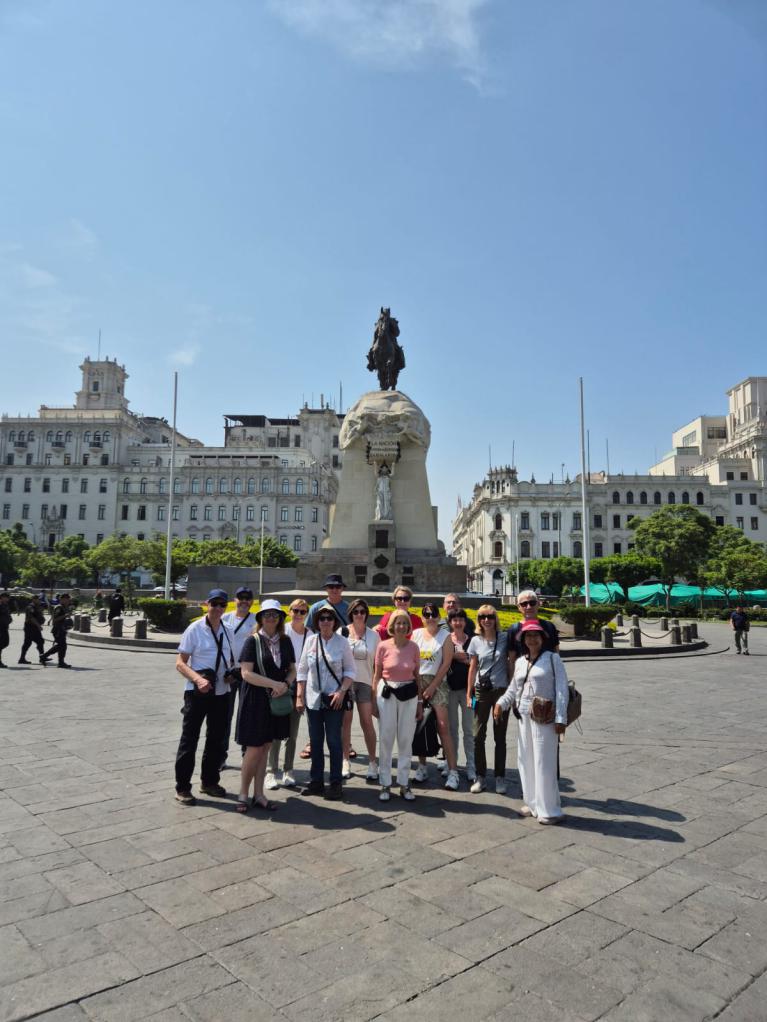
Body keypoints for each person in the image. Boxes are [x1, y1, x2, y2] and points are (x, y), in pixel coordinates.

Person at [494, 620, 569, 824]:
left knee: (544, 762)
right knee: (525, 760)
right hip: (524, 716)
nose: (532, 639)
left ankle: (549, 809)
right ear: (523, 640)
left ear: (543, 638)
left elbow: (562, 690)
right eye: (528, 636)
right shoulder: (519, 662)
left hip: (545, 717)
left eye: (536, 635)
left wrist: (561, 718)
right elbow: (513, 689)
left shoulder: (552, 659)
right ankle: (532, 802)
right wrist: (501, 703)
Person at [173, 588, 235, 805]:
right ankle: (182, 787)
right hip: (197, 693)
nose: (218, 608)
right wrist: (198, 679)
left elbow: (230, 660)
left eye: (222, 605)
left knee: (216, 740)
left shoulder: (227, 630)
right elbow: (180, 663)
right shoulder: (195, 629)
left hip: (220, 693)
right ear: (207, 603)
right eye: (215, 603)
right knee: (189, 740)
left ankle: (209, 781)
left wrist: (231, 675)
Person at [237, 599, 295, 812]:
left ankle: (259, 794)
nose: (271, 618)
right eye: (267, 614)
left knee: (266, 747)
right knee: (253, 748)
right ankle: (243, 793)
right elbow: (246, 673)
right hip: (256, 699)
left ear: (280, 618)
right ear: (260, 618)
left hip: (276, 700)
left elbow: (292, 669)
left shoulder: (285, 641)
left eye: (275, 614)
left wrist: (286, 684)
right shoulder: (252, 641)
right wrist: (274, 684)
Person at [296, 606, 356, 801]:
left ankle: (336, 783)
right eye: (321, 618)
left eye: (329, 618)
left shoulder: (342, 643)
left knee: (334, 741)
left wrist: (341, 692)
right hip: (313, 699)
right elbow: (302, 670)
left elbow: (350, 671)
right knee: (315, 741)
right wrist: (299, 696)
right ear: (317, 621)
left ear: (334, 621)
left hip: (333, 700)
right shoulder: (311, 641)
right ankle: (316, 781)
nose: (325, 621)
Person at [372, 608, 421, 802]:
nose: (401, 626)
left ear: (408, 626)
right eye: (397, 623)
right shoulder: (383, 646)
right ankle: (385, 783)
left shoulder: (414, 647)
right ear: (392, 625)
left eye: (404, 623)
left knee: (405, 739)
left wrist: (420, 702)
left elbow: (417, 676)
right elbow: (376, 675)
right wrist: (374, 701)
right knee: (386, 737)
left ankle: (403, 783)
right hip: (387, 693)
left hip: (409, 693)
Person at [301, 573, 350, 761]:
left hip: (343, 657)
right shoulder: (316, 608)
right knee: (315, 716)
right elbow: (310, 631)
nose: (334, 590)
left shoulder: (347, 608)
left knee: (342, 709)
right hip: (320, 656)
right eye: (331, 587)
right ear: (326, 589)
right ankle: (312, 743)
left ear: (342, 589)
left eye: (337, 587)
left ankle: (346, 744)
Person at [266, 598, 313, 789]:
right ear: (289, 611)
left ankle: (288, 770)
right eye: (296, 610)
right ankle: (271, 771)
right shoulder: (281, 631)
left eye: (303, 611)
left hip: (299, 686)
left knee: (292, 733)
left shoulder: (311, 635)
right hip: (280, 684)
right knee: (276, 731)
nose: (299, 614)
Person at [412, 603, 459, 790]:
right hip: (418, 681)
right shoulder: (416, 634)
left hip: (437, 682)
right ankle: (422, 766)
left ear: (439, 617)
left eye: (433, 614)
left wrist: (432, 686)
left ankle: (453, 770)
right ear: (422, 617)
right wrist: (418, 688)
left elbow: (446, 663)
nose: (430, 617)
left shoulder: (445, 636)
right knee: (419, 725)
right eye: (426, 614)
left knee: (443, 726)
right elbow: (413, 662)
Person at [467, 604, 511, 793]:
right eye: (483, 616)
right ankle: (481, 776)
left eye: (490, 616)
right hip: (481, 691)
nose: (486, 620)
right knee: (478, 735)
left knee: (500, 735)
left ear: (495, 618)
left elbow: (510, 664)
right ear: (478, 620)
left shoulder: (505, 638)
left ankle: (500, 777)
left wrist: (512, 691)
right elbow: (473, 667)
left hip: (501, 691)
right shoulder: (476, 641)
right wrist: (469, 693)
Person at [343, 598, 380, 782]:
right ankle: (345, 760)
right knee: (345, 722)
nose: (359, 615)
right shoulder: (342, 632)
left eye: (362, 612)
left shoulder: (374, 636)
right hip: (346, 683)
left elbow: (377, 665)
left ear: (366, 614)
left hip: (365, 681)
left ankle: (373, 762)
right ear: (351, 613)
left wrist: (375, 687)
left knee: (367, 722)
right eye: (356, 611)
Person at [220, 586, 257, 769]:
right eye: (240, 598)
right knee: (224, 716)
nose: (244, 601)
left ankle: (246, 755)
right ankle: (221, 756)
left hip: (246, 674)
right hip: (227, 674)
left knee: (246, 715)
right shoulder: (225, 618)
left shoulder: (256, 620)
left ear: (251, 600)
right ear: (235, 599)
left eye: (247, 598)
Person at [445, 609, 476, 785]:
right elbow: (441, 660)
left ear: (465, 622)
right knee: (452, 731)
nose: (457, 623)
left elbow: (476, 662)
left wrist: (462, 659)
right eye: (454, 620)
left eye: (460, 620)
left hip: (468, 691)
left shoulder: (473, 640)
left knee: (469, 730)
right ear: (450, 622)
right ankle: (453, 765)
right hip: (449, 690)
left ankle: (471, 765)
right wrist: (456, 656)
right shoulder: (446, 640)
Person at [507, 590, 559, 668]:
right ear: (519, 607)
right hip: (523, 676)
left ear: (538, 604)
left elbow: (556, 654)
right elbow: (512, 660)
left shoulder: (549, 626)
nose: (529, 607)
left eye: (532, 603)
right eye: (524, 604)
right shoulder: (513, 629)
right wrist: (512, 679)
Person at [40, 593, 73, 669]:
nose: (69, 601)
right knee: (62, 646)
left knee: (62, 646)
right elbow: (54, 620)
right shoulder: (58, 608)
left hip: (62, 629)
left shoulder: (65, 607)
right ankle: (58, 662)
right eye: (67, 599)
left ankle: (47, 657)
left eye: (69, 599)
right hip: (57, 630)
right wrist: (65, 615)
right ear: (62, 599)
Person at [19, 594, 46, 664]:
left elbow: (38, 615)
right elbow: (31, 618)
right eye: (37, 599)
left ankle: (42, 657)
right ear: (33, 599)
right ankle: (22, 659)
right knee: (28, 643)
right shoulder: (30, 607)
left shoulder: (37, 607)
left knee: (40, 641)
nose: (39, 600)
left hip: (34, 627)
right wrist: (38, 626)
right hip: (30, 627)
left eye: (39, 599)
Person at [0, 592, 11, 669]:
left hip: (4, 627)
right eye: (6, 597)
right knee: (1, 643)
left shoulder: (5, 605)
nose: (8, 599)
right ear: (2, 597)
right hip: (0, 627)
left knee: (5, 643)